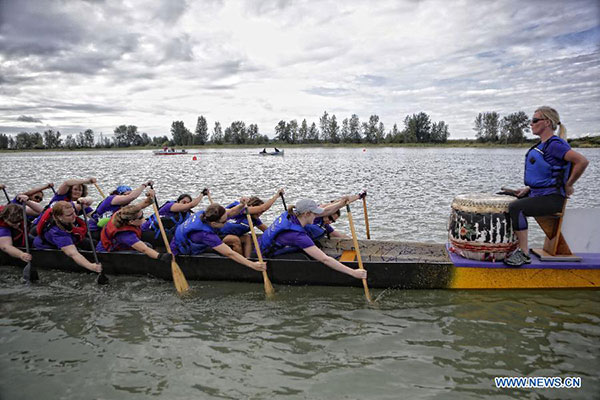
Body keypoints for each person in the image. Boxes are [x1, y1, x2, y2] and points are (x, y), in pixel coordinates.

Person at [504, 106, 589, 266]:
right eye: (532, 120)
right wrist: (527, 189)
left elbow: (582, 161)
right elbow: (547, 175)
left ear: (547, 123)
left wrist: (568, 185)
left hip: (552, 198)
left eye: (535, 120)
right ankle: (506, 246)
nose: (531, 124)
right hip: (540, 194)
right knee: (502, 198)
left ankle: (523, 253)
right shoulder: (543, 145)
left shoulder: (554, 144)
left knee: (517, 208)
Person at [259, 199, 367, 280]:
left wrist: (345, 201)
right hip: (266, 255)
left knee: (314, 248)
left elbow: (326, 210)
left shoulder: (290, 215)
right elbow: (325, 259)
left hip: (261, 245)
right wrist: (353, 273)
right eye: (315, 214)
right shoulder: (298, 236)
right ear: (306, 214)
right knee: (304, 258)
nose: (317, 216)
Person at [170, 203, 266, 272]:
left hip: (188, 241)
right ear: (214, 223)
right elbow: (230, 253)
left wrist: (242, 205)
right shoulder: (205, 235)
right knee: (230, 248)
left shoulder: (204, 214)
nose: (226, 223)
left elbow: (231, 212)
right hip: (181, 251)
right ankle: (239, 267)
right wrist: (252, 265)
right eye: (224, 222)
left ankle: (243, 261)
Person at [97, 189, 171, 262]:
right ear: (132, 221)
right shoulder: (125, 234)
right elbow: (144, 249)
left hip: (122, 244)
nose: (144, 218)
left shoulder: (122, 213)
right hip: (107, 252)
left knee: (148, 244)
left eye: (142, 215)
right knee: (146, 248)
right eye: (141, 217)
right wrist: (160, 256)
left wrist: (151, 196)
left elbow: (145, 203)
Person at [33, 201, 102, 273]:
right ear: (59, 217)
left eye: (73, 212)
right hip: (48, 246)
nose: (74, 216)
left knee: (93, 243)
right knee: (79, 251)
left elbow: (83, 203)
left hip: (70, 236)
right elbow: (73, 254)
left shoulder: (67, 209)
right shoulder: (57, 232)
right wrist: (91, 266)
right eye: (69, 215)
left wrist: (84, 200)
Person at [219, 188, 284, 257]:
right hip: (218, 235)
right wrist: (277, 195)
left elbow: (268, 231)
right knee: (235, 239)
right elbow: (263, 208)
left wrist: (283, 238)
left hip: (229, 236)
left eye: (261, 213)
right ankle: (239, 264)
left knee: (247, 237)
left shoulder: (255, 220)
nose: (260, 213)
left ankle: (248, 260)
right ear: (251, 206)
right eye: (258, 211)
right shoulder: (241, 209)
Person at [87, 181, 153, 235]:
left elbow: (145, 203)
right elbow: (131, 197)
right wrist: (145, 185)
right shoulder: (110, 199)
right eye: (125, 195)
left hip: (107, 230)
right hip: (94, 230)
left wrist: (151, 196)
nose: (127, 198)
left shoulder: (125, 207)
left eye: (129, 194)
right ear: (118, 194)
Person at [141, 189, 207, 241]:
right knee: (176, 240)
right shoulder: (170, 206)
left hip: (165, 233)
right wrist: (202, 194)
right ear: (178, 202)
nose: (185, 205)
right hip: (148, 231)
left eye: (188, 203)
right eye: (183, 202)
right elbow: (192, 205)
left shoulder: (187, 214)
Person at [0, 195, 40, 262]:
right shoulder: (3, 229)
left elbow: (40, 211)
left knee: (38, 241)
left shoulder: (17, 209)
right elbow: (5, 246)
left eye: (19, 222)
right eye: (14, 223)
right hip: (8, 241)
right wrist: (21, 255)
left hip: (23, 236)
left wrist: (28, 202)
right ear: (5, 219)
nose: (17, 225)